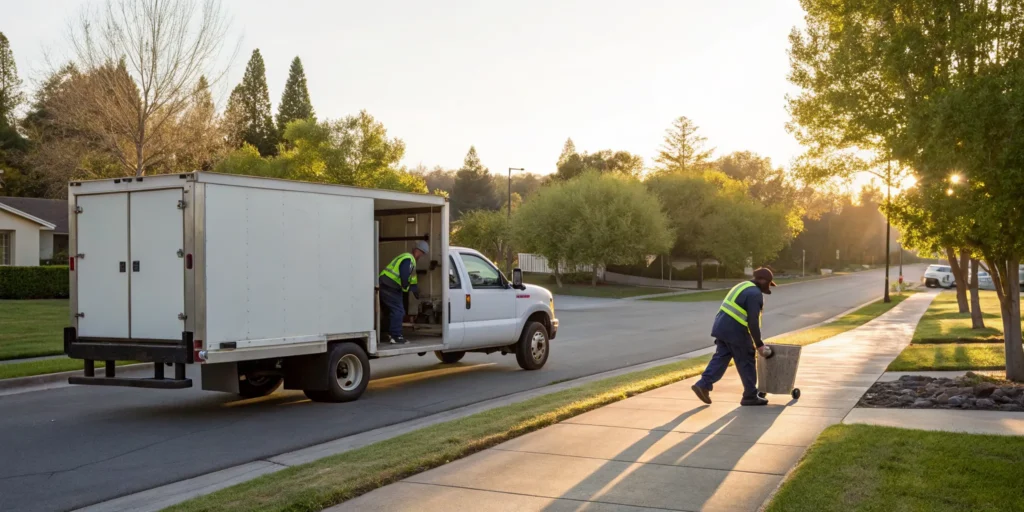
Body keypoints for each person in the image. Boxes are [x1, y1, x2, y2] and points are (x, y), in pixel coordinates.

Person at [691, 267, 777, 406]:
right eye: (768, 283)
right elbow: (753, 322)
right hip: (737, 331)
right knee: (747, 360)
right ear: (763, 281)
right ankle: (750, 395)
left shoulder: (742, 285)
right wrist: (759, 344)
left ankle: (703, 384)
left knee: (721, 357)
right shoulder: (755, 294)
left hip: (722, 327)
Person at [378, 241, 429, 345]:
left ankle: (388, 333)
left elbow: (412, 278)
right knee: (399, 311)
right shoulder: (409, 259)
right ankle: (396, 336)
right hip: (390, 286)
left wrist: (414, 290)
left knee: (390, 311)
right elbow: (404, 275)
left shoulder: (407, 258)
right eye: (422, 253)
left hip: (386, 284)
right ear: (418, 251)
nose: (421, 256)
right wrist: (406, 286)